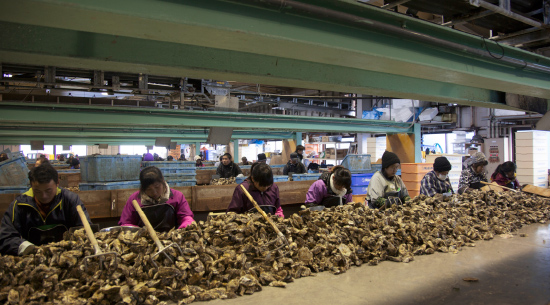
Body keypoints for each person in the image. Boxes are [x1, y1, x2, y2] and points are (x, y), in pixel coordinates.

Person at [0, 164, 92, 255]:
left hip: (65, 257)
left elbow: (85, 230)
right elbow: (5, 237)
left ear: (57, 183)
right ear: (31, 186)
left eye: (48, 190)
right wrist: (27, 248)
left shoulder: (70, 200)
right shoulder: (20, 205)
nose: (43, 196)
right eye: (37, 191)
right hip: (30, 258)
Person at [119, 166, 194, 231]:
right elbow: (126, 223)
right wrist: (139, 232)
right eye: (149, 189)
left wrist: (187, 224)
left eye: (157, 187)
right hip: (143, 240)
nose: (154, 192)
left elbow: (185, 216)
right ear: (143, 188)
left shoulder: (177, 196)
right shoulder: (134, 200)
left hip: (171, 238)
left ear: (163, 182)